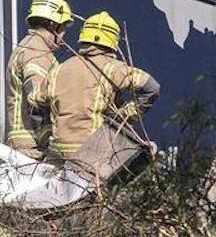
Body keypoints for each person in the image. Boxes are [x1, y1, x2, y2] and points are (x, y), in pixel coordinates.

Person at [38, 11, 159, 167]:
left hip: (57, 154)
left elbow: (38, 101)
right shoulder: (113, 69)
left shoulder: (58, 69)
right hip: (91, 154)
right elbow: (152, 88)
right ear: (113, 42)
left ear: (84, 36)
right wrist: (123, 116)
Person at [6, 0, 73, 160]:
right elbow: (36, 101)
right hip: (32, 149)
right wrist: (51, 142)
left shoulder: (28, 46)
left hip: (25, 145)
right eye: (63, 28)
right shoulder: (37, 52)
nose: (64, 36)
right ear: (53, 26)